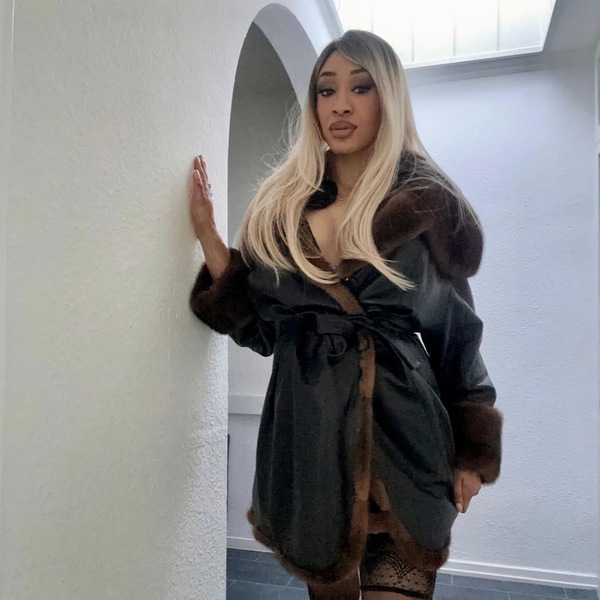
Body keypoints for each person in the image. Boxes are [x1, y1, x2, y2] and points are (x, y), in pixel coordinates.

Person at [188, 29, 503, 600]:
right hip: (310, 435)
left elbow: (457, 334)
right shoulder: (279, 211)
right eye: (326, 90)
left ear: (388, 97)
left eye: (360, 87)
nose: (340, 104)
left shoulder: (425, 205)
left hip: (408, 435)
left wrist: (472, 454)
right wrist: (210, 239)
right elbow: (262, 329)